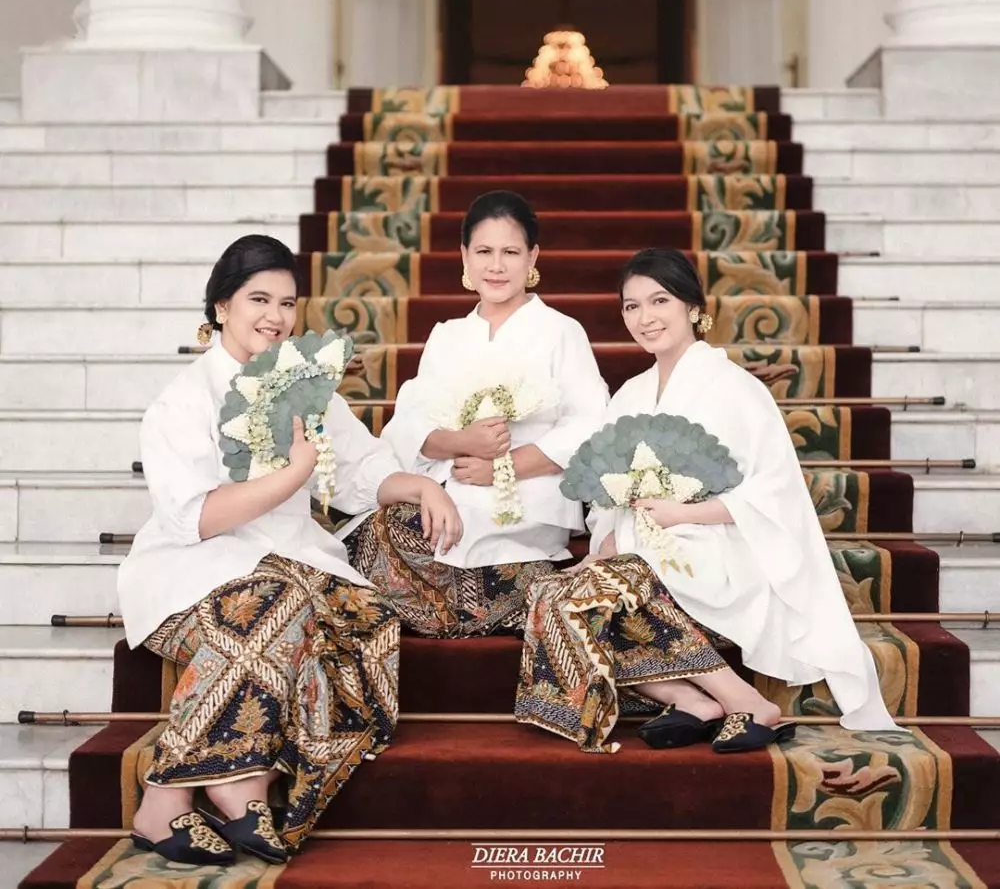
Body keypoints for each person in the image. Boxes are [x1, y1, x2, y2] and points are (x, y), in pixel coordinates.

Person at [118, 234, 461, 867]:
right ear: (221, 307)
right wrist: (294, 472)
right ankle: (199, 793)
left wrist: (417, 485)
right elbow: (198, 517)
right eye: (258, 299)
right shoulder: (182, 401)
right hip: (193, 574)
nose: (276, 316)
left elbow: (363, 473)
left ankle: (215, 786)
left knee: (364, 620)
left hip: (296, 563)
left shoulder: (309, 391)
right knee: (278, 601)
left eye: (287, 302)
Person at [579, 247, 898, 742]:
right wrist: (606, 543)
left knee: (611, 582)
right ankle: (690, 700)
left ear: (692, 307)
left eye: (658, 301)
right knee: (561, 593)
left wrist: (682, 514)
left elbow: (774, 493)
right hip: (642, 540)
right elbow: (607, 498)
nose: (644, 318)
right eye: (631, 306)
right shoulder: (629, 395)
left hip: (719, 541)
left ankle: (739, 702)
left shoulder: (736, 389)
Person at [340, 190, 610, 636]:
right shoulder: (447, 335)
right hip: (452, 489)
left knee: (393, 543)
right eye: (484, 251)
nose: (496, 266)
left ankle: (501, 595)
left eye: (510, 252)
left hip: (526, 503)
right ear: (465, 257)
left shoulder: (562, 332)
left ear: (532, 257)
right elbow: (409, 423)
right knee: (381, 529)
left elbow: (589, 428)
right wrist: (462, 443)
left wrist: (501, 467)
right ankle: (509, 602)